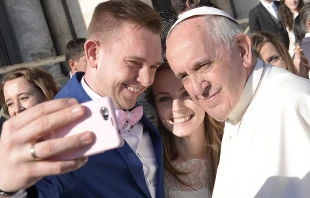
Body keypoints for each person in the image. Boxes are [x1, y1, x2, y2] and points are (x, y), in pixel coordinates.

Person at [166, 6, 310, 198]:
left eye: (202, 65)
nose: (196, 89)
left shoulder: (296, 103)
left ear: (242, 50)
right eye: (183, 76)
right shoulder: (236, 107)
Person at [29, 0, 163, 197]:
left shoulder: (138, 110)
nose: (147, 80)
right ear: (93, 54)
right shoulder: (55, 126)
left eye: (154, 66)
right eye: (134, 62)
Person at [148, 64, 223, 198]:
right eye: (164, 99)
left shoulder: (234, 148)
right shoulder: (151, 168)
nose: (176, 108)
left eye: (185, 93)